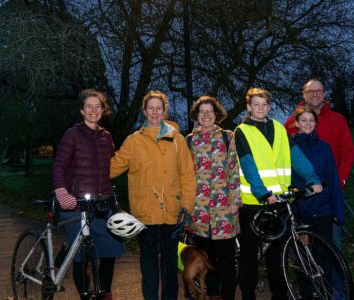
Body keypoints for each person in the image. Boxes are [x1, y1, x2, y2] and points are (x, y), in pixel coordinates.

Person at [235, 87, 322, 300]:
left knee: (278, 254)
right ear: (249, 107)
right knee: (250, 257)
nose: (261, 108)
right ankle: (248, 295)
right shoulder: (242, 131)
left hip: (279, 201)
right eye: (256, 104)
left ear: (269, 106)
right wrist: (262, 192)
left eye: (264, 104)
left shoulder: (279, 128)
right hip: (254, 202)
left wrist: (312, 178)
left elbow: (295, 156)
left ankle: (280, 296)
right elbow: (248, 164)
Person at [110, 90, 196, 300]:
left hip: (172, 211)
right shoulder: (133, 141)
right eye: (151, 108)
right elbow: (112, 168)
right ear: (145, 111)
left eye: (159, 108)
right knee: (148, 262)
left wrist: (187, 205)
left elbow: (188, 175)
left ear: (164, 111)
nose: (155, 112)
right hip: (144, 212)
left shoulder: (178, 140)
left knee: (169, 262)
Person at [52, 89, 124, 300]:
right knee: (81, 257)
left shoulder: (106, 137)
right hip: (76, 204)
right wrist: (62, 192)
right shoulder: (72, 134)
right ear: (81, 110)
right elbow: (59, 166)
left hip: (102, 204)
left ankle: (104, 293)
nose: (94, 110)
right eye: (89, 106)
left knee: (110, 251)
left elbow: (111, 169)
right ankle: (85, 295)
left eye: (98, 106)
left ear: (103, 110)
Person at [284, 79, 354, 250]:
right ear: (304, 94)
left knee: (332, 242)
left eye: (318, 91)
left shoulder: (337, 120)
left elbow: (348, 153)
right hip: (302, 195)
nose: (314, 94)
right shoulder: (290, 123)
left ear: (324, 94)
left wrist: (338, 181)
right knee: (303, 245)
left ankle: (335, 278)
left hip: (328, 191)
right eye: (310, 91)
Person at [185, 96, 240, 300]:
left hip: (224, 210)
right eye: (202, 112)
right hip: (199, 211)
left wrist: (235, 200)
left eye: (210, 111)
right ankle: (212, 294)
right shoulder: (189, 140)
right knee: (205, 259)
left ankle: (227, 296)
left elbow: (234, 169)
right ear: (196, 115)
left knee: (226, 259)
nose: (206, 115)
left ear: (217, 115)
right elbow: (185, 174)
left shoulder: (227, 137)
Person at [290, 106, 345, 243]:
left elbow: (332, 177)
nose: (308, 123)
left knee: (324, 247)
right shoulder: (290, 147)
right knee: (304, 251)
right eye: (304, 120)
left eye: (311, 120)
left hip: (323, 206)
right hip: (301, 206)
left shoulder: (324, 147)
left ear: (315, 123)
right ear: (297, 123)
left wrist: (338, 210)